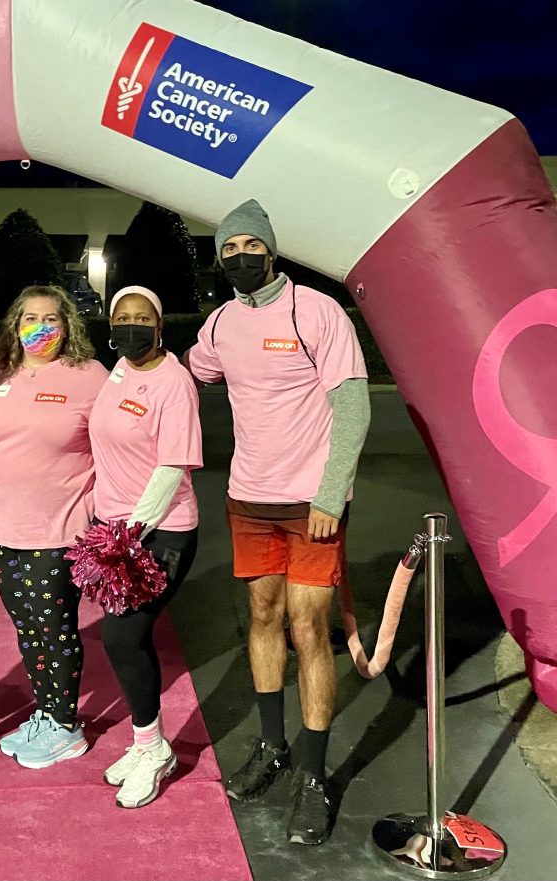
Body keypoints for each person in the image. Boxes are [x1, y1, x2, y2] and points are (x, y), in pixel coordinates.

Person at [185, 199, 371, 845]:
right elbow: (188, 375)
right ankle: (272, 746)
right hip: (249, 498)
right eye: (228, 248)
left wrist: (329, 493)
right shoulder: (219, 323)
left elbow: (351, 408)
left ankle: (314, 774)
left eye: (249, 244)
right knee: (262, 617)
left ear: (271, 248)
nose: (240, 255)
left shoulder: (316, 311)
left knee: (307, 626)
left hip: (311, 504)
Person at [0, 284, 110, 769]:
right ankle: (45, 712)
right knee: (29, 632)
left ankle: (65, 725)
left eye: (51, 318)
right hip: (4, 533)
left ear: (68, 324)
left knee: (55, 631)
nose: (40, 328)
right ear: (15, 324)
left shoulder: (89, 376)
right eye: (30, 318)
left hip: (58, 531)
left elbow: (120, 438)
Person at [86, 285, 203, 809]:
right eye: (121, 317)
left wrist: (129, 532)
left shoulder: (173, 382)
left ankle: (153, 749)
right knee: (125, 640)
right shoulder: (118, 371)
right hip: (116, 530)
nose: (130, 326)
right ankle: (145, 742)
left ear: (159, 326)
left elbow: (170, 468)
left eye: (142, 319)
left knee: (121, 637)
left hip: (159, 530)